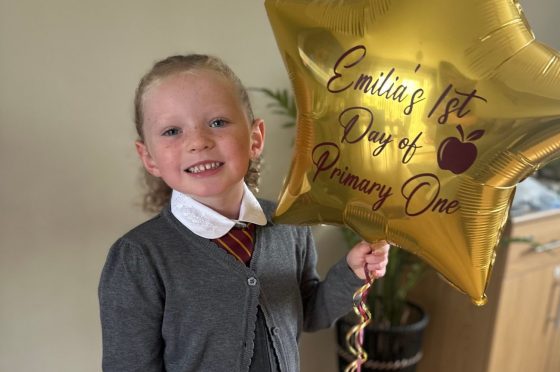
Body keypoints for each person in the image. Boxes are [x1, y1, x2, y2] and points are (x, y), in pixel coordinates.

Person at [98, 54, 389, 372]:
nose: (198, 142)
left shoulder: (290, 221)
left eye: (217, 122)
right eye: (172, 131)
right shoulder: (137, 257)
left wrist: (352, 272)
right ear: (149, 157)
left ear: (255, 138)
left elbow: (310, 312)